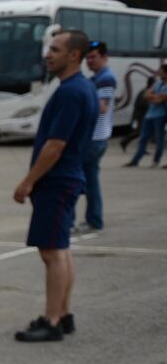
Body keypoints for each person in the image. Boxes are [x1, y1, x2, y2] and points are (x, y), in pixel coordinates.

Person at [12, 30, 96, 343]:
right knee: (60, 248)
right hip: (66, 178)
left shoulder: (71, 92)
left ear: (74, 55)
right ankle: (63, 313)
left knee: (51, 252)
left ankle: (52, 320)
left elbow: (55, 145)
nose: (48, 54)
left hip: (57, 180)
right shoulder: (79, 88)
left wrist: (28, 181)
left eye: (56, 49)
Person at [79, 41, 115, 232]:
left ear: (104, 57)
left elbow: (101, 107)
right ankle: (94, 219)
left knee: (76, 178)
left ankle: (75, 220)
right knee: (90, 180)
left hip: (95, 137)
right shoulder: (96, 78)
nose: (90, 61)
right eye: (88, 57)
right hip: (96, 137)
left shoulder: (106, 78)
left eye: (94, 57)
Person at [125, 62, 166, 167]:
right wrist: (154, 97)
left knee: (159, 138)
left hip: (160, 116)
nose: (158, 72)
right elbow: (146, 94)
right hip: (149, 115)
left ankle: (156, 160)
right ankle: (135, 160)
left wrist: (153, 97)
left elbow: (158, 100)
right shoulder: (157, 83)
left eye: (160, 71)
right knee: (143, 138)